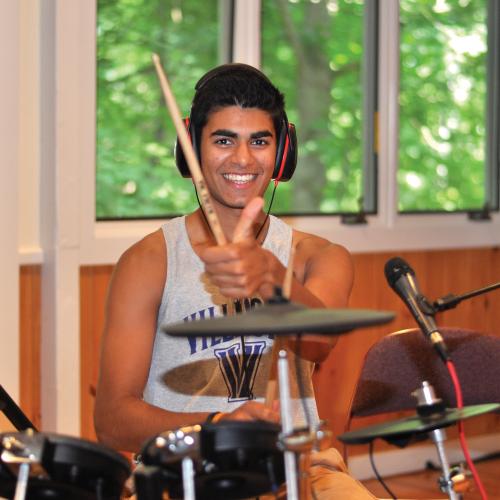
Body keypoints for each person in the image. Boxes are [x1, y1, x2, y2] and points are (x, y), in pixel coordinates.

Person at [94, 63, 376, 499]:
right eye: (224, 139)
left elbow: (319, 343)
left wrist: (270, 276)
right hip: (183, 471)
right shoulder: (147, 262)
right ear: (192, 148)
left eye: (259, 141)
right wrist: (215, 428)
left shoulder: (317, 258)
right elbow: (113, 421)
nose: (242, 159)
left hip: (301, 470)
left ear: (282, 154)